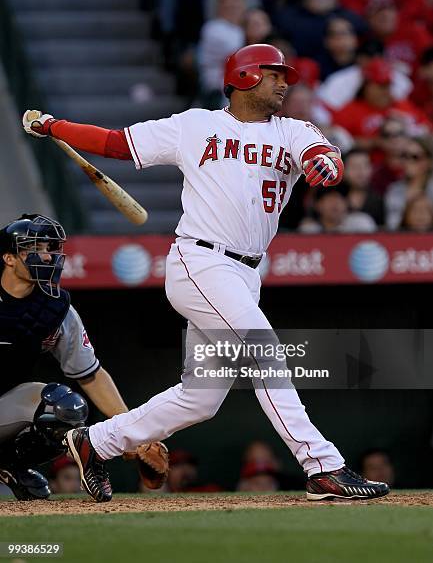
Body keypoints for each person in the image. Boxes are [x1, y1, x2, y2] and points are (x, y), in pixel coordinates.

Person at [23, 43, 389, 503]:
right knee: (264, 350)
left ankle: (95, 443)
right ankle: (322, 467)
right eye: (275, 74)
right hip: (201, 260)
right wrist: (55, 126)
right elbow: (117, 143)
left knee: (200, 398)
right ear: (246, 77)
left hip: (246, 273)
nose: (284, 82)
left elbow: (325, 154)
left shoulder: (293, 130)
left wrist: (326, 164)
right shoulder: (196, 125)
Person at [0, 214, 166, 502]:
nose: (46, 256)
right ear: (8, 258)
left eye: (49, 248)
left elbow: (90, 375)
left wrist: (132, 432)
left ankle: (8, 463)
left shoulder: (54, 308)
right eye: (33, 248)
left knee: (67, 408)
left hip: (4, 403)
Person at [384, 136, 433, 229]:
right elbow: (392, 226)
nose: (408, 161)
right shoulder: (394, 190)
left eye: (415, 157)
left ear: (428, 161)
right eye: (405, 156)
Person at [298, 185, 377, 233]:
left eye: (339, 199)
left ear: (347, 203)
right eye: (329, 200)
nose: (335, 204)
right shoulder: (309, 229)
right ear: (317, 206)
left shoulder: (361, 222)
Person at [343, 148, 384, 225]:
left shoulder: (379, 199)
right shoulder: (335, 197)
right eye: (354, 167)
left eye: (365, 166)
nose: (361, 172)